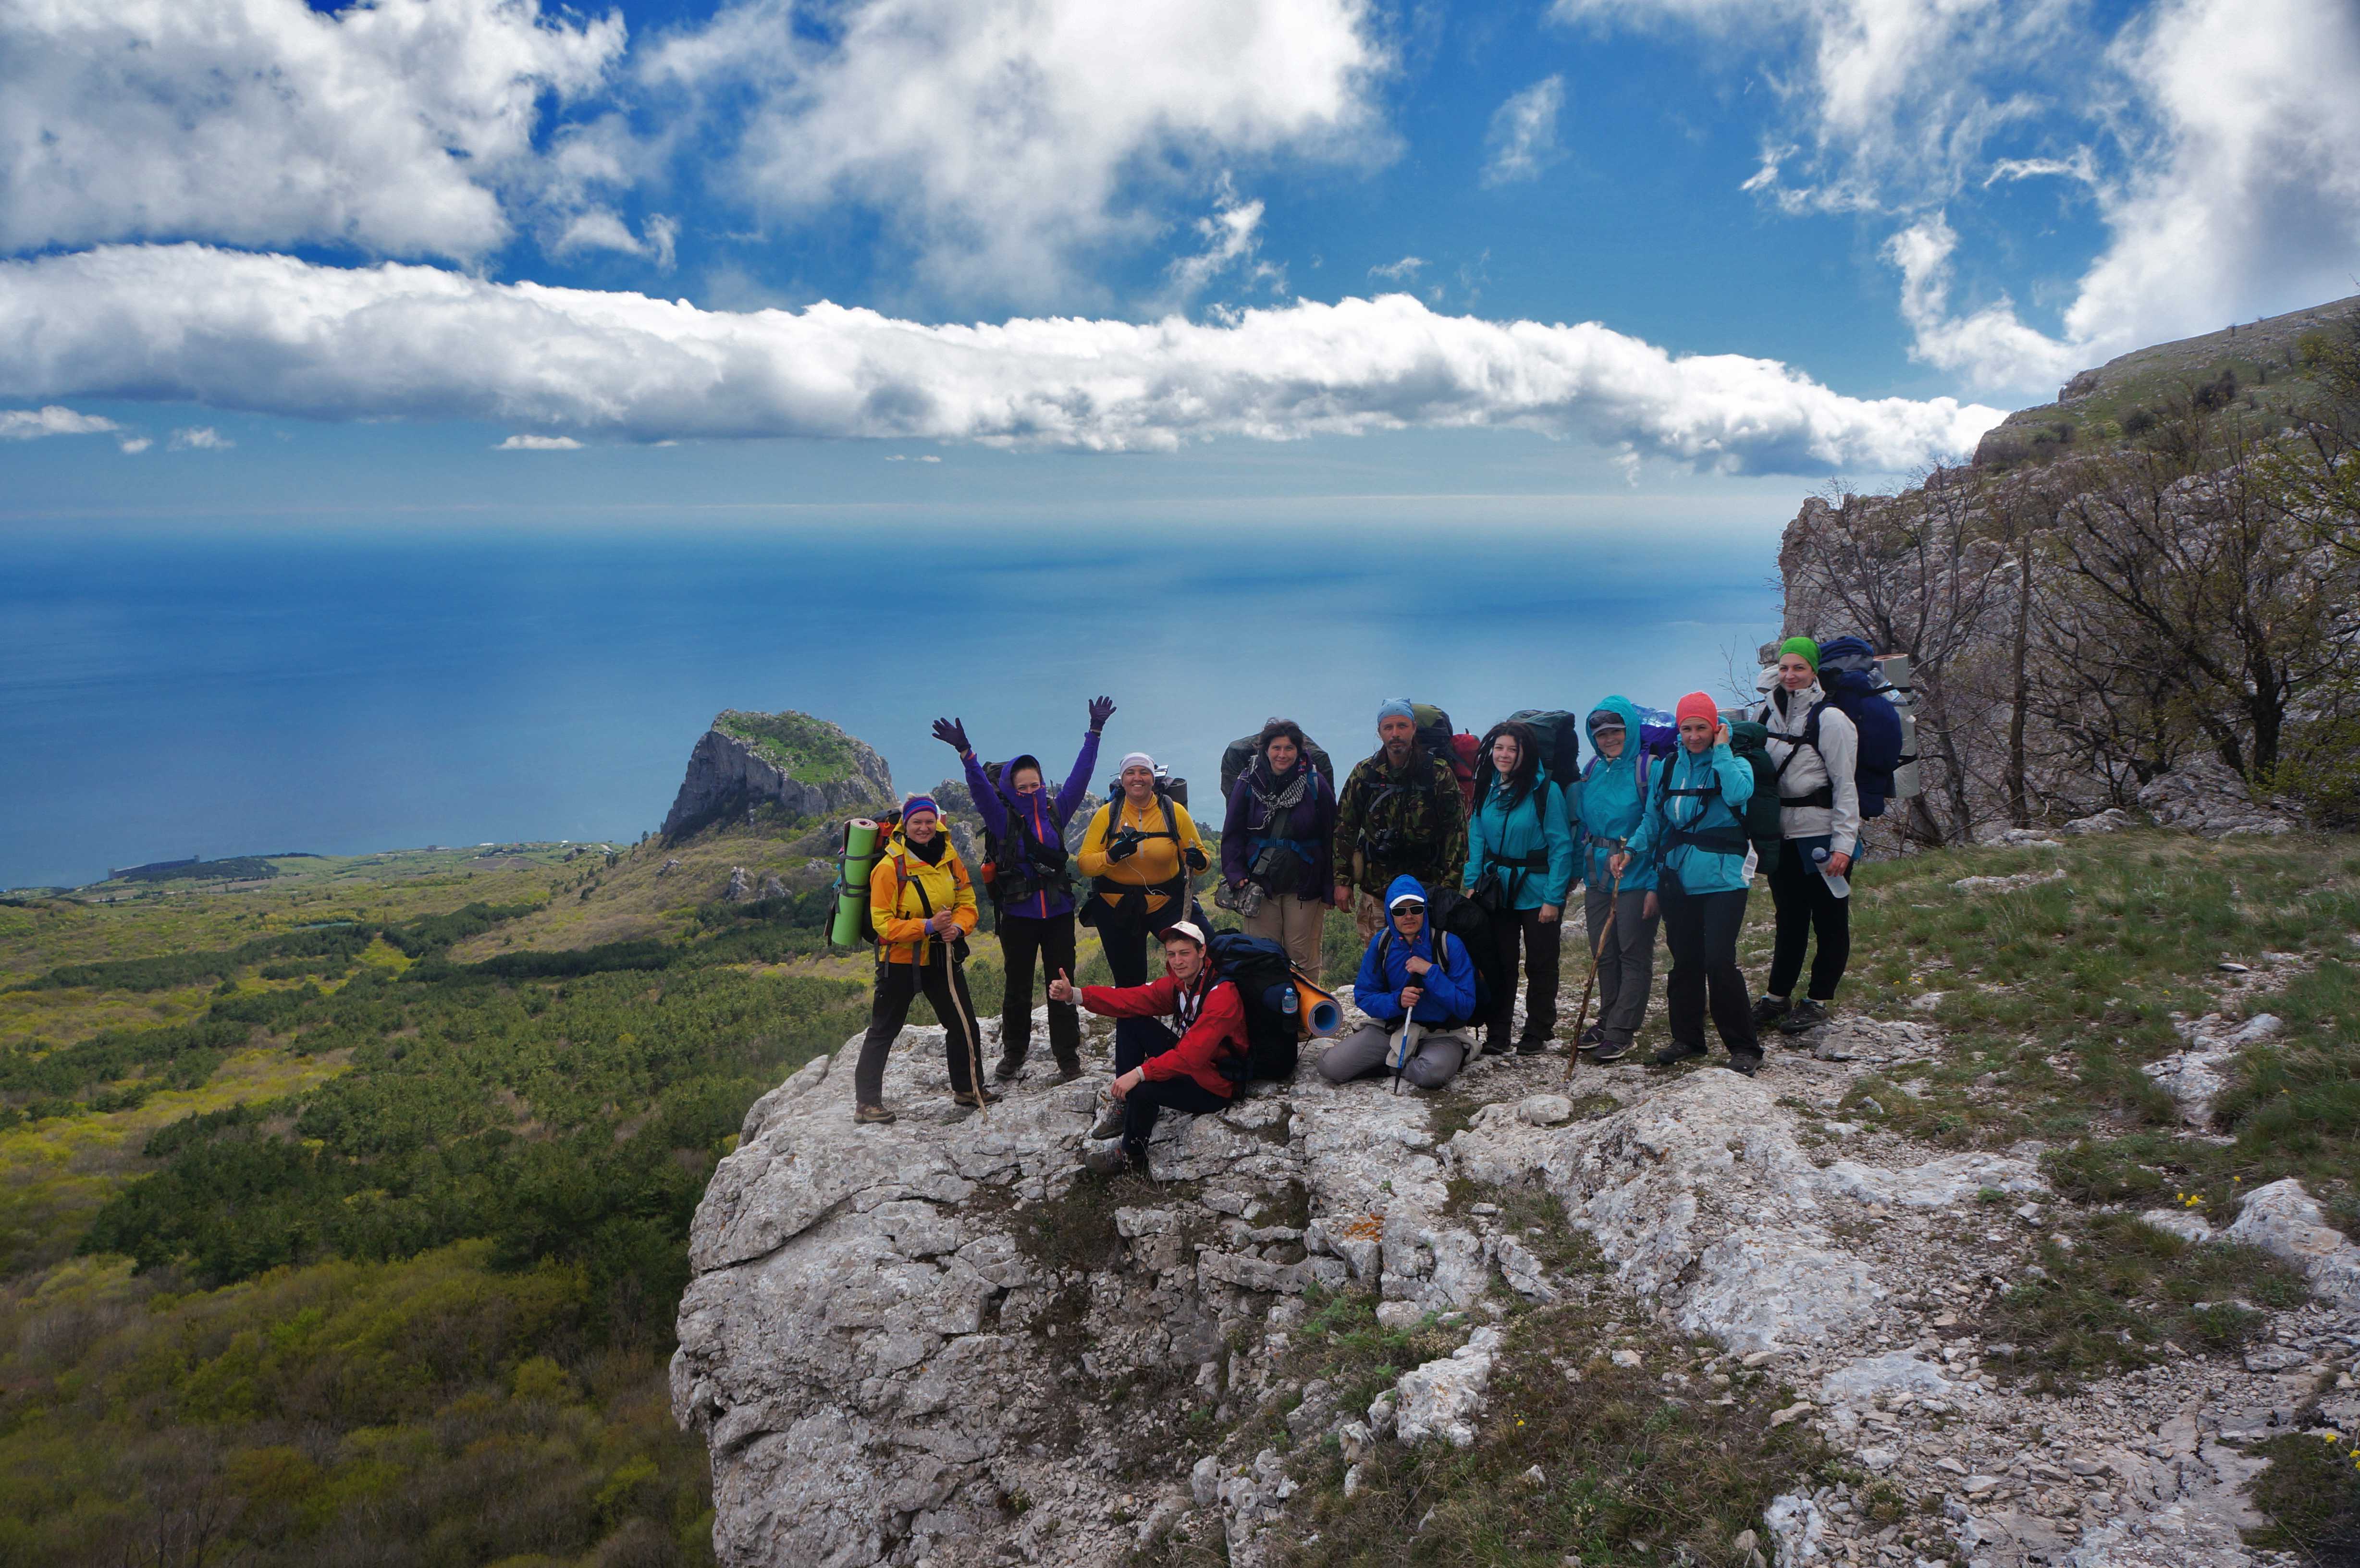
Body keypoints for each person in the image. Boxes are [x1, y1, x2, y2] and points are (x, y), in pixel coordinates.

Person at [932, 697, 1115, 1083]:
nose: (1032, 790)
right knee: (1017, 988)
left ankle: (1067, 1055)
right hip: (1018, 916)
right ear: (1012, 788)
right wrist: (966, 753)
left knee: (1062, 985)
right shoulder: (1002, 821)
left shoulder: (1056, 811)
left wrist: (1095, 733)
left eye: (1036, 784)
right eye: (1024, 786)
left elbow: (1081, 776)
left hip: (1059, 914)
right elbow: (981, 791)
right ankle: (1014, 1053)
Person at [1618, 695, 1761, 1075]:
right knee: (1685, 962)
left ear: (1716, 728)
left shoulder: (1735, 764)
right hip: (1677, 876)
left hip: (1723, 879)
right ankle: (1688, 1038)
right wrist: (1632, 850)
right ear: (1678, 731)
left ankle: (1744, 1046)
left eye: (1702, 727)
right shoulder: (1668, 770)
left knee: (1719, 960)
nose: (1694, 736)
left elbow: (1737, 795)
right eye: (1687, 728)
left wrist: (1723, 752)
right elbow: (1654, 820)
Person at [1048, 921, 1245, 1174]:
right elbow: (1129, 1000)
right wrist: (1075, 995)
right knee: (1131, 1020)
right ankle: (1125, 1106)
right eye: (1172, 954)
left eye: (1185, 953)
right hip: (1196, 1065)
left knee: (1143, 1089)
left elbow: (1190, 1057)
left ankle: (1132, 1155)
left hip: (1217, 1084)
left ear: (1202, 952)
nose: (1177, 962)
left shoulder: (1222, 996)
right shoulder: (1181, 986)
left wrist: (1139, 1073)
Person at [852, 795, 996, 1122]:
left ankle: (968, 1088)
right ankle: (867, 1104)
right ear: (906, 824)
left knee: (963, 1023)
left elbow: (967, 900)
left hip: (941, 956)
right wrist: (927, 926)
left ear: (938, 823)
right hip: (900, 960)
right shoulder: (890, 866)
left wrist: (959, 928)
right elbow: (882, 923)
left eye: (929, 821)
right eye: (917, 822)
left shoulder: (949, 858)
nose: (924, 827)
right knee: (884, 1030)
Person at [1749, 635, 1860, 1035]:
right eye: (1784, 668)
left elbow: (1846, 786)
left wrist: (1843, 845)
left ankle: (1818, 999)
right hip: (1783, 837)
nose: (1790, 675)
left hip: (1821, 836)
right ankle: (1777, 997)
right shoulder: (1766, 714)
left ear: (1814, 671)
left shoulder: (1831, 720)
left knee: (1830, 921)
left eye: (1799, 668)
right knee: (1790, 920)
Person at [1078, 753, 1211, 1067]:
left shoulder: (1172, 811)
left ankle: (1203, 1043)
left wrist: (1198, 860)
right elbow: (1085, 863)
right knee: (1130, 988)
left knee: (1208, 956)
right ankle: (1132, 1066)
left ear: (1154, 778)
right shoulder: (1107, 814)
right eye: (1130, 773)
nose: (1137, 778)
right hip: (1117, 906)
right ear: (1122, 779)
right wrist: (1111, 857)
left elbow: (1202, 858)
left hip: (1167, 901)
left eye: (1144, 773)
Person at [1461, 720, 1575, 1056]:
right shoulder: (1488, 788)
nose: (1505, 755)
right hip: (1498, 888)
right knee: (1499, 962)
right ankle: (1498, 1033)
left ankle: (1538, 1030)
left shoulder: (1545, 790)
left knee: (1541, 962)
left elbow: (1561, 846)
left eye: (1513, 749)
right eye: (1499, 748)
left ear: (1526, 753)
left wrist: (1553, 898)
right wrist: (1472, 884)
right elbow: (1477, 838)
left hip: (1538, 889)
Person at [1315, 877, 1480, 1090]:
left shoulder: (1449, 944)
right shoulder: (1382, 943)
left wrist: (1431, 972)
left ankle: (1393, 1064)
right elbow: (1364, 995)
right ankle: (1399, 1061)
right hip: (1391, 1028)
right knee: (1330, 1067)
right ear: (1390, 914)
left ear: (1425, 910)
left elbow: (1466, 1005)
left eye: (1416, 908)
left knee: (1432, 1074)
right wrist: (1397, 1001)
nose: (1409, 916)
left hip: (1440, 1033)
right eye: (1400, 911)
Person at [1332, 700, 1468, 942]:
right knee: (1379, 957)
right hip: (1377, 888)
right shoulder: (1365, 773)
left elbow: (1456, 832)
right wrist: (1341, 882)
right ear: (1380, 732)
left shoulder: (1437, 772)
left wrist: (1448, 889)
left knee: (1427, 957)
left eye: (1402, 726)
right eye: (1389, 727)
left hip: (1428, 887)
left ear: (1414, 728)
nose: (1396, 734)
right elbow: (1345, 827)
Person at [1573, 697, 1661, 1064]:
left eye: (1616, 732)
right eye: (1602, 733)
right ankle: (1608, 1018)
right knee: (1604, 952)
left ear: (1630, 730)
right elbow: (1582, 822)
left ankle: (1623, 1029)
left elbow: (1657, 821)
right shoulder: (1593, 769)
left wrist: (1650, 876)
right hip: (1598, 877)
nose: (1609, 738)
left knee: (1632, 953)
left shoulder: (1649, 768)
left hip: (1636, 874)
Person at [1220, 718, 1337, 978]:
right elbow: (1233, 833)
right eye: (1276, 748)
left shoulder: (1315, 784)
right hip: (1260, 882)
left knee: (1302, 954)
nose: (1282, 755)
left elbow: (1331, 836)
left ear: (1299, 751)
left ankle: (1306, 1013)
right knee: (1262, 953)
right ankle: (1269, 1014)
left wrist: (1331, 887)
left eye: (1289, 748)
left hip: (1306, 882)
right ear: (1265, 750)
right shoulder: (1249, 781)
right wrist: (1236, 874)